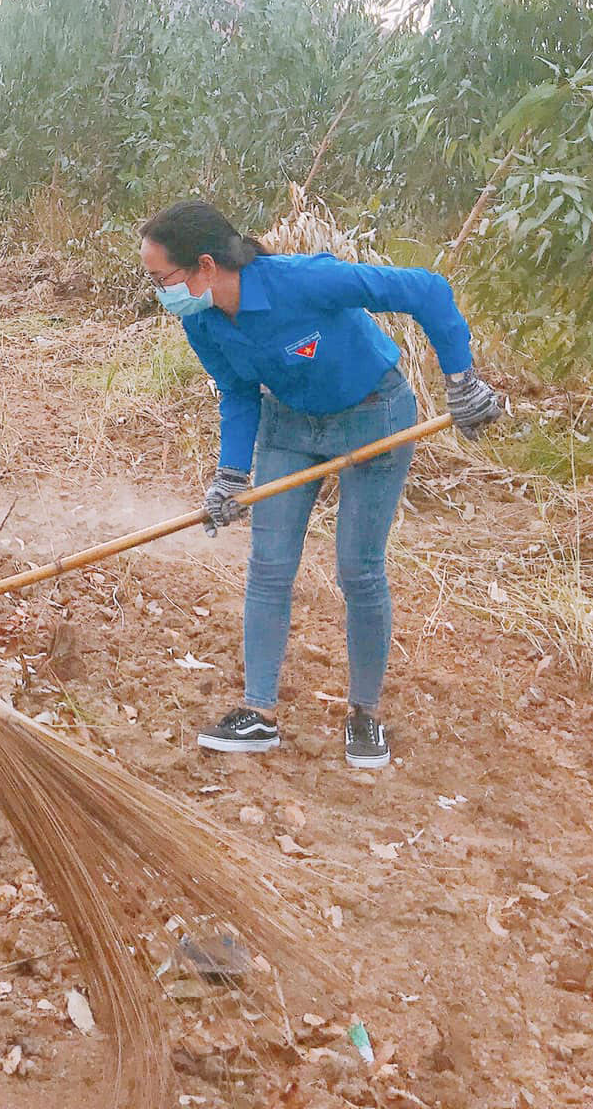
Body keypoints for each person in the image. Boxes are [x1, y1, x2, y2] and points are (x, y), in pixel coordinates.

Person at [137, 200, 503, 771]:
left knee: (358, 569)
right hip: (288, 425)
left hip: (373, 415)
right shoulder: (201, 319)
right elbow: (236, 393)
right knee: (269, 565)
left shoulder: (304, 281)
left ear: (204, 266)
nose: (160, 292)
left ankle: (364, 715)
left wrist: (461, 380)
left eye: (162, 278)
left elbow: (427, 289)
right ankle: (256, 713)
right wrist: (230, 475)